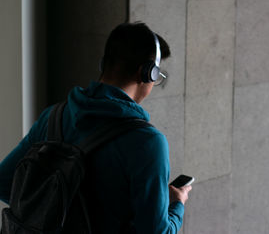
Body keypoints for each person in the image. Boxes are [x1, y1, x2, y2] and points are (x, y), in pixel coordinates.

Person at [0, 22, 192, 233]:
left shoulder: (54, 116)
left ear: (104, 64)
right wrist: (176, 205)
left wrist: (49, 213)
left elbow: (4, 182)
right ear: (148, 73)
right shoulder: (147, 142)